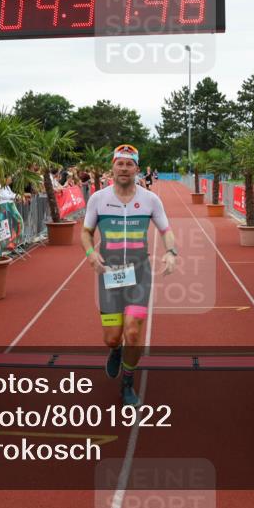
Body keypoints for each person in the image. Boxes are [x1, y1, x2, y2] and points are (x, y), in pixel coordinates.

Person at [81, 145, 177, 406]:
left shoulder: (150, 200)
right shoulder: (98, 199)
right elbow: (85, 232)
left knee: (133, 332)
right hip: (109, 274)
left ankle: (127, 383)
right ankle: (115, 350)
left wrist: (171, 251)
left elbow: (166, 229)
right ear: (112, 167)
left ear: (137, 169)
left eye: (129, 164)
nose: (124, 168)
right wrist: (91, 253)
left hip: (139, 273)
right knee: (112, 337)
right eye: (119, 163)